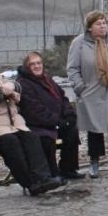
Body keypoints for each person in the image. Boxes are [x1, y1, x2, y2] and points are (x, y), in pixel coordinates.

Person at [0, 50, 62, 196]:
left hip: (15, 122)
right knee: (11, 144)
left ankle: (43, 178)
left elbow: (16, 85)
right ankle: (30, 183)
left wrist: (11, 88)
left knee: (32, 138)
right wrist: (5, 90)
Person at [68, 11, 108, 177]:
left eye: (104, 23)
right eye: (98, 24)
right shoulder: (79, 43)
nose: (102, 26)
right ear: (89, 27)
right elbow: (72, 68)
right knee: (94, 129)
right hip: (91, 91)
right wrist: (80, 87)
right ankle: (94, 160)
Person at [15, 51, 81, 179]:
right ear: (26, 66)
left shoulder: (47, 79)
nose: (37, 66)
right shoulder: (24, 83)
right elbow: (34, 110)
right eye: (32, 64)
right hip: (37, 125)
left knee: (72, 130)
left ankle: (68, 169)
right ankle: (51, 173)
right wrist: (57, 122)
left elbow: (63, 99)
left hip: (55, 122)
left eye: (39, 63)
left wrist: (69, 116)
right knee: (46, 138)